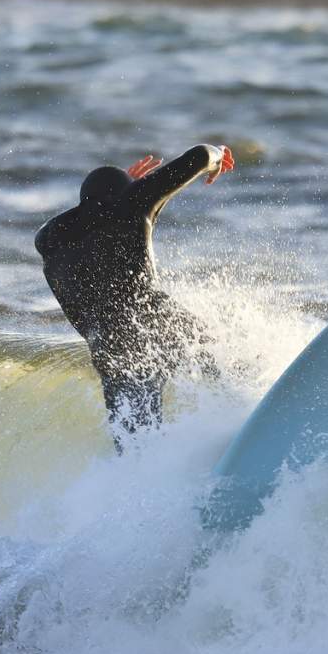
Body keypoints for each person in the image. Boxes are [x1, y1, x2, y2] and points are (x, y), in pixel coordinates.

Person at [36, 143, 235, 442]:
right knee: (221, 362)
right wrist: (218, 155)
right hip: (153, 322)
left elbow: (94, 221)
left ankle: (144, 481)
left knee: (136, 442)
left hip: (109, 348)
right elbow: (198, 156)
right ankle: (245, 407)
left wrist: (119, 187)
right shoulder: (131, 205)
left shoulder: (51, 243)